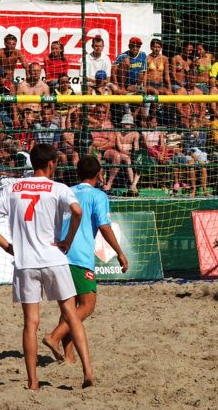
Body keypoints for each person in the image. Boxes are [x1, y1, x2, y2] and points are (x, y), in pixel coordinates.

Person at [0, 143, 94, 389]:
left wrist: (5, 245)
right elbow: (77, 211)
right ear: (51, 164)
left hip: (26, 262)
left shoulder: (14, 188)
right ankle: (87, 372)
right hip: (54, 258)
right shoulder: (58, 188)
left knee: (31, 322)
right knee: (71, 315)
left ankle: (32, 382)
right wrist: (68, 240)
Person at [43, 155, 129, 363]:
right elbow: (104, 226)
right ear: (99, 174)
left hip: (59, 254)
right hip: (79, 256)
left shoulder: (66, 191)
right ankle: (54, 336)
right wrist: (120, 252)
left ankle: (69, 356)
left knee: (69, 306)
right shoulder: (98, 195)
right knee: (87, 305)